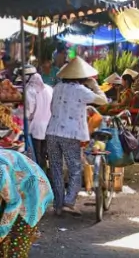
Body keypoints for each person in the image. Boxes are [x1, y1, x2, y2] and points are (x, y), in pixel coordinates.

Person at [45, 57, 107, 216]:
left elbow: (52, 108)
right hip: (70, 134)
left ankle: (58, 206)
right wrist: (95, 86)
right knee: (75, 168)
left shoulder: (57, 87)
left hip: (51, 132)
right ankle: (69, 202)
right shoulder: (81, 90)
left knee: (56, 169)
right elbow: (103, 100)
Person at [21, 65, 53, 173]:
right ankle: (46, 176)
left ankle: (39, 177)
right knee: (44, 155)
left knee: (36, 156)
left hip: (35, 128)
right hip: (49, 126)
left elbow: (29, 110)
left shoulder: (30, 90)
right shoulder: (49, 88)